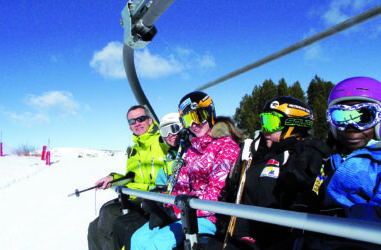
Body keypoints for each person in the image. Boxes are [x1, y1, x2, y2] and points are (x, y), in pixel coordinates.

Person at [208, 96, 332, 250]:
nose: (265, 128)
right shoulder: (252, 152)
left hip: (275, 240)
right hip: (239, 234)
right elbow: (234, 190)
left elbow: (306, 201)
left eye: (271, 122)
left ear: (293, 124)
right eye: (264, 121)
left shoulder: (305, 154)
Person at [130, 91, 241, 250]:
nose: (193, 124)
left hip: (211, 218)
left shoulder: (226, 147)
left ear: (211, 114)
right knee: (138, 238)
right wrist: (162, 205)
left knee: (158, 243)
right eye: (188, 119)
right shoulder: (192, 149)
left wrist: (175, 212)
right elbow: (180, 186)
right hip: (186, 212)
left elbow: (216, 195)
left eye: (199, 116)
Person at [300, 77, 381, 250]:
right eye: (341, 117)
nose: (351, 126)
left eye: (364, 116)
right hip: (317, 241)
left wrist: (341, 216)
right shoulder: (330, 157)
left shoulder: (377, 162)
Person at [88, 105, 168, 250]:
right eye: (132, 121)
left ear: (150, 120)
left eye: (141, 119)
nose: (137, 123)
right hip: (136, 195)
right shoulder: (134, 150)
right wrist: (113, 178)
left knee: (109, 215)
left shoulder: (163, 141)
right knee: (94, 226)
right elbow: (131, 177)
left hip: (155, 197)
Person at [111, 112, 188, 250]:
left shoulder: (188, 153)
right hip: (160, 203)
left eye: (174, 128)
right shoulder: (168, 157)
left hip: (180, 209)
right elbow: (135, 177)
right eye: (165, 131)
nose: (170, 134)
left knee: (129, 228)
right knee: (118, 224)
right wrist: (113, 178)